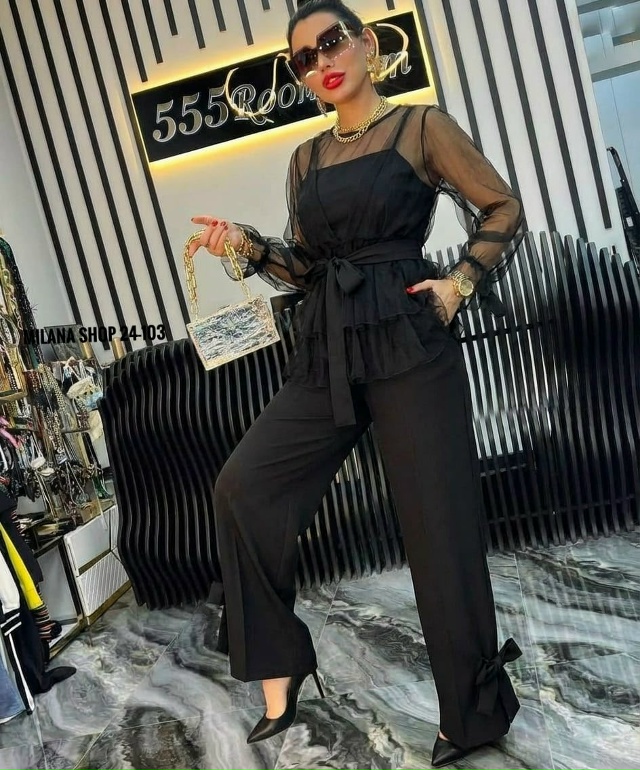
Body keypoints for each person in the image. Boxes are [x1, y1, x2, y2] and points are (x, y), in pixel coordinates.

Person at [189, 0, 526, 766]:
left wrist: (459, 284)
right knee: (243, 487)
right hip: (330, 348)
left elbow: (503, 205)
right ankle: (280, 662)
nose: (321, 63)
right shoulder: (305, 160)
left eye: (331, 43)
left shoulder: (420, 127)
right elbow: (306, 266)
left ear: (368, 44)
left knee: (439, 529)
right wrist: (246, 245)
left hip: (409, 340)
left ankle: (472, 713)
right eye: (303, 59)